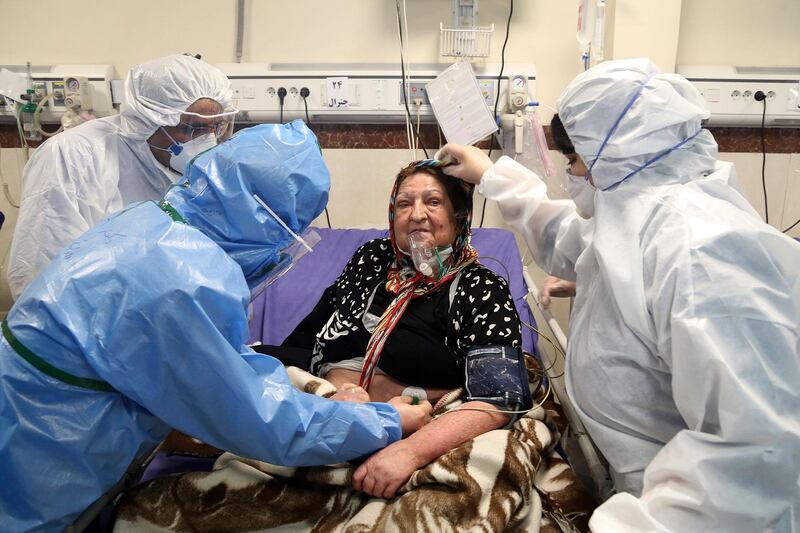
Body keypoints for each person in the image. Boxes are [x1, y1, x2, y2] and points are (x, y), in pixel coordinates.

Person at [0, 121, 432, 532]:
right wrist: (382, 421)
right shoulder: (182, 280)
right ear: (261, 217)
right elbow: (259, 416)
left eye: (434, 202)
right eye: (288, 232)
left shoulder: (147, 223)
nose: (419, 216)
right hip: (41, 463)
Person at [436, 58, 800, 532]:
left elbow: (758, 455)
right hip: (644, 489)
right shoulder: (644, 216)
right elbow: (575, 240)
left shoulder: (701, 253)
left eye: (573, 160)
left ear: (614, 152)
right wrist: (492, 175)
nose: (571, 173)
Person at [275, 160, 532, 499]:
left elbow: (498, 399)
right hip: (328, 410)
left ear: (459, 218)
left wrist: (409, 452)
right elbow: (313, 336)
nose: (417, 214)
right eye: (404, 203)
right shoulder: (371, 259)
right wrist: (320, 391)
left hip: (416, 429)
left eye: (433, 202)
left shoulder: (480, 287)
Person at [7, 54, 237, 299]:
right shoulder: (72, 156)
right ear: (149, 120)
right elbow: (42, 272)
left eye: (216, 127)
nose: (207, 140)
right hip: (87, 322)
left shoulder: (193, 170)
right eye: (191, 127)